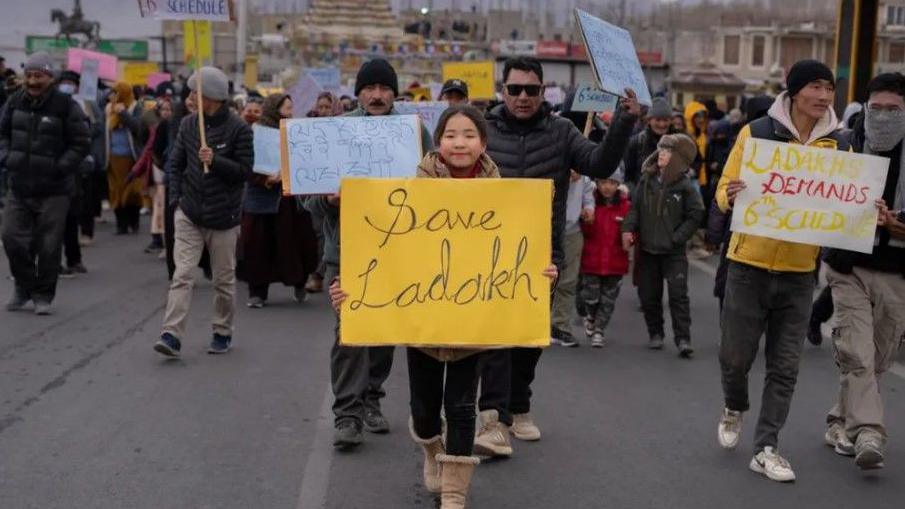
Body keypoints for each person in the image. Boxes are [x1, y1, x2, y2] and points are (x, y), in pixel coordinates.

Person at [329, 104, 556, 508]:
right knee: (425, 407)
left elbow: (518, 254)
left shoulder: (506, 197)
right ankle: (433, 451)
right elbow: (383, 249)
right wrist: (352, 289)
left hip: (472, 325)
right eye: (451, 134)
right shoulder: (408, 190)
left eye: (469, 135)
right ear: (439, 142)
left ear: (483, 143)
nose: (460, 143)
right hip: (422, 325)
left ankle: (455, 488)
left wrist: (542, 275)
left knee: (463, 405)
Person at [473, 56, 640, 458]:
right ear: (502, 91)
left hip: (541, 254)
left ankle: (519, 406)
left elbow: (599, 163)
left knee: (530, 339)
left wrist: (622, 121)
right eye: (515, 89)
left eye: (532, 90)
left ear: (544, 91)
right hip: (489, 253)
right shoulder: (483, 131)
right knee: (497, 337)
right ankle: (492, 420)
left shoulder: (563, 131)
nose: (523, 97)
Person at [714, 60, 865, 482]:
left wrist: (865, 211)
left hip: (801, 273)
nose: (822, 96)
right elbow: (723, 194)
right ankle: (733, 405)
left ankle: (766, 447)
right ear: (794, 91)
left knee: (785, 367)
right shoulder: (756, 133)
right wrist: (731, 194)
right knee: (734, 357)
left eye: (828, 88)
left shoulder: (841, 145)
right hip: (747, 266)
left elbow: (847, 204)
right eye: (815, 87)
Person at [305, 58, 433, 449]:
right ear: (358, 92)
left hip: (396, 253)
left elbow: (435, 189)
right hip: (345, 253)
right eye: (370, 88)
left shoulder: (415, 134)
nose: (377, 96)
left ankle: (372, 399)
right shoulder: (336, 133)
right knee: (350, 335)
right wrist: (329, 200)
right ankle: (347, 414)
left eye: (384, 88)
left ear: (395, 93)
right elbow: (308, 203)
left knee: (382, 334)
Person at [822, 72, 905, 470]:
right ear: (865, 107)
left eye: (895, 109)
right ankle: (869, 431)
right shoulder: (843, 146)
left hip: (897, 271)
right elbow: (817, 201)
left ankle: (840, 419)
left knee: (876, 358)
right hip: (848, 266)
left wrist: (896, 224)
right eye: (878, 108)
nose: (885, 116)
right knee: (856, 350)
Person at [154, 66, 253, 358]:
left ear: (212, 96)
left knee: (223, 279)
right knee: (183, 274)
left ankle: (222, 331)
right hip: (189, 213)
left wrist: (217, 160)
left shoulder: (239, 130)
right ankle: (171, 333)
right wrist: (176, 201)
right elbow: (175, 164)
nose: (191, 98)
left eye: (196, 92)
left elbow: (244, 172)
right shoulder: (187, 125)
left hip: (224, 218)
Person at [1, 52, 90, 315]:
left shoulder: (66, 106)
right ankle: (24, 286)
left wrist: (59, 167)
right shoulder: (14, 102)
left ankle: (43, 295)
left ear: (50, 77)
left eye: (38, 76)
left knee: (49, 246)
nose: (32, 81)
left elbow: (81, 142)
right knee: (11, 238)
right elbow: (2, 134)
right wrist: (7, 158)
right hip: (19, 186)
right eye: (29, 75)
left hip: (54, 190)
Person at [621, 134, 703, 356]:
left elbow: (696, 214)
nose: (661, 154)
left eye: (667, 151)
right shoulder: (647, 181)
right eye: (661, 150)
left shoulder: (684, 186)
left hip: (673, 253)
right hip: (647, 249)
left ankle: (683, 339)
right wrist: (628, 230)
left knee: (678, 295)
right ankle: (655, 333)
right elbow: (635, 209)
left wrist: (678, 237)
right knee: (649, 295)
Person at [237, 93, 319, 307]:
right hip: (261, 201)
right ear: (275, 108)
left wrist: (291, 173)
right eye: (287, 108)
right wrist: (264, 178)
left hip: (290, 200)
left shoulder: (296, 132)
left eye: (292, 108)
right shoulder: (255, 133)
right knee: (258, 246)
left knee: (295, 243)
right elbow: (246, 164)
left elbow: (306, 159)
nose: (291, 112)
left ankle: (298, 283)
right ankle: (257, 292)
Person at [580, 170, 631, 348]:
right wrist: (586, 220)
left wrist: (631, 238)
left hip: (615, 262)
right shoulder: (590, 203)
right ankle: (591, 317)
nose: (607, 187)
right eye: (603, 182)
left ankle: (599, 330)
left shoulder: (625, 206)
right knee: (591, 297)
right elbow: (584, 232)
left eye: (611, 182)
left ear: (618, 185)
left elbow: (631, 229)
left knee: (608, 301)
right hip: (591, 261)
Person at [549, 170, 595, 347]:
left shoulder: (584, 179)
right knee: (543, 279)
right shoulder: (552, 171)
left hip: (572, 232)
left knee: (568, 281)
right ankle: (538, 324)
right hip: (546, 230)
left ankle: (560, 326)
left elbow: (588, 197)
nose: (575, 173)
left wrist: (589, 210)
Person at [56, 70, 95, 276]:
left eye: (71, 83)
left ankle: (74, 259)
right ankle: (53, 262)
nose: (67, 86)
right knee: (53, 221)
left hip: (73, 170)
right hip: (53, 170)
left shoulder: (80, 106)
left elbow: (84, 138)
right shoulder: (51, 106)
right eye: (64, 82)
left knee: (71, 217)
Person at [105, 81, 147, 235]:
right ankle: (121, 225)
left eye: (117, 92)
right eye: (113, 92)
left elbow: (139, 129)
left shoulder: (136, 107)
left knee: (132, 192)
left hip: (132, 157)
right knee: (116, 191)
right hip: (114, 157)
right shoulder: (109, 108)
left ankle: (134, 222)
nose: (113, 96)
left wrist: (123, 113)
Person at [622, 97, 679, 192]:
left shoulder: (679, 142)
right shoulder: (636, 142)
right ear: (649, 120)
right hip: (643, 198)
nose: (662, 124)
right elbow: (627, 176)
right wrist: (635, 194)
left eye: (665, 120)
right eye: (658, 120)